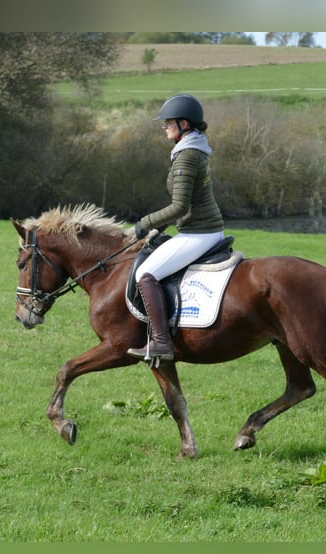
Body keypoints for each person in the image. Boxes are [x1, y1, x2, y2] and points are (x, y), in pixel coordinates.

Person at [127, 93, 225, 362]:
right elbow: (186, 203)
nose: (164, 126)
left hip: (199, 233)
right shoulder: (194, 149)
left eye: (168, 121)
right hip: (198, 228)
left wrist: (146, 223)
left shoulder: (187, 156)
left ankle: (161, 342)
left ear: (184, 123)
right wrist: (159, 228)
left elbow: (180, 206)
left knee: (146, 274)